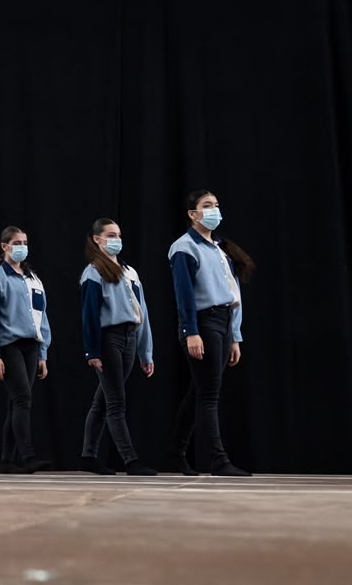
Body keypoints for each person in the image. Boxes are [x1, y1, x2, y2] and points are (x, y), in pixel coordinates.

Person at [167, 190, 255, 477]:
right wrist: (190, 332)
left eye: (216, 205)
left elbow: (233, 292)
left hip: (223, 322)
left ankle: (175, 454)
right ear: (193, 214)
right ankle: (218, 460)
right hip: (203, 322)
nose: (214, 210)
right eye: (207, 206)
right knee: (209, 395)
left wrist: (236, 335)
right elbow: (184, 296)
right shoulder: (184, 247)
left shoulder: (219, 247)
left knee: (199, 392)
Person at [78, 218, 157, 476]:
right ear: (97, 239)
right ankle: (130, 459)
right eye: (110, 235)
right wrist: (92, 351)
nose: (116, 240)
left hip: (130, 337)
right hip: (108, 338)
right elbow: (89, 315)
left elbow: (142, 312)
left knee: (102, 400)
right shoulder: (93, 272)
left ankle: (88, 456)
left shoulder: (129, 272)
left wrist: (146, 351)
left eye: (119, 235)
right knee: (115, 402)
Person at [0, 226, 52, 474]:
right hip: (8, 344)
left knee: (16, 402)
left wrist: (43, 353)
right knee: (22, 398)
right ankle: (28, 456)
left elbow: (42, 318)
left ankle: (6, 460)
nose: (22, 246)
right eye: (16, 242)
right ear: (4, 246)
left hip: (31, 345)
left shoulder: (33, 279)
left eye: (25, 241)